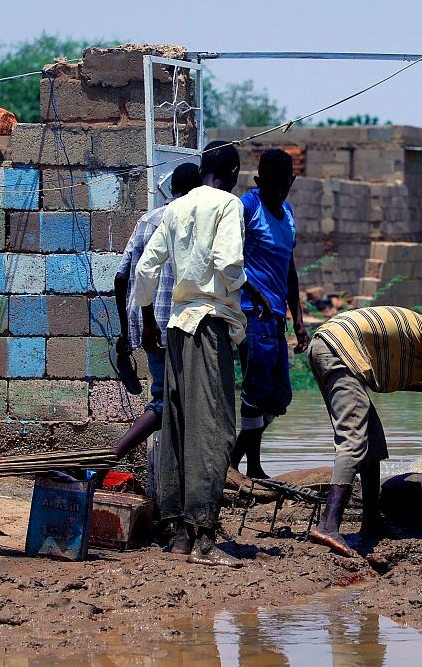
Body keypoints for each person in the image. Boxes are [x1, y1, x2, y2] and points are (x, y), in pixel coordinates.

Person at [133, 141, 273, 568]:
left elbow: (144, 268)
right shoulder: (228, 206)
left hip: (175, 328)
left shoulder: (175, 207)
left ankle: (178, 535)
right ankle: (205, 540)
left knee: (178, 429)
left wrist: (148, 320)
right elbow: (228, 262)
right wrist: (241, 292)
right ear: (231, 172)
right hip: (209, 326)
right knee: (215, 431)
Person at [306, 305, 422, 557]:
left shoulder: (419, 330)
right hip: (341, 352)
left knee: (373, 441)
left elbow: (390, 378)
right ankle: (328, 526)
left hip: (329, 343)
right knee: (354, 441)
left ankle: (371, 521)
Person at [108, 162, 202, 463]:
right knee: (166, 399)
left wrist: (126, 331)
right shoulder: (192, 221)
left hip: (147, 324)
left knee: (175, 400)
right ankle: (111, 457)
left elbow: (121, 277)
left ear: (171, 188)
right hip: (176, 322)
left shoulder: (147, 220)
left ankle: (170, 474)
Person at [229, 149, 309, 479]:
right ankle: (247, 465)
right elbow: (230, 257)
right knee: (257, 390)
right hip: (251, 312)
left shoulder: (288, 213)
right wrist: (250, 292)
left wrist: (299, 320)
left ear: (291, 182)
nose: (278, 192)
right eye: (272, 186)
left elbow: (289, 269)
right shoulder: (248, 207)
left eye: (284, 186)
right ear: (260, 182)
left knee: (278, 397)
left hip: (277, 316)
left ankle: (234, 459)